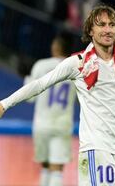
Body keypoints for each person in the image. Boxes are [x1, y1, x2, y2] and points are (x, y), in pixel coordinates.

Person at [0, 5, 115, 185]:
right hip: (96, 149)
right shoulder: (78, 63)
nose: (107, 30)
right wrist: (4, 104)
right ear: (90, 31)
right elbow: (40, 84)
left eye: (112, 25)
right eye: (101, 25)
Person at [24, 35, 76, 186]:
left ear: (56, 48)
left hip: (41, 124)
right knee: (57, 169)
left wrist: (27, 77)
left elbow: (29, 98)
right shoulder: (76, 67)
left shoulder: (40, 65)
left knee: (45, 166)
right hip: (63, 124)